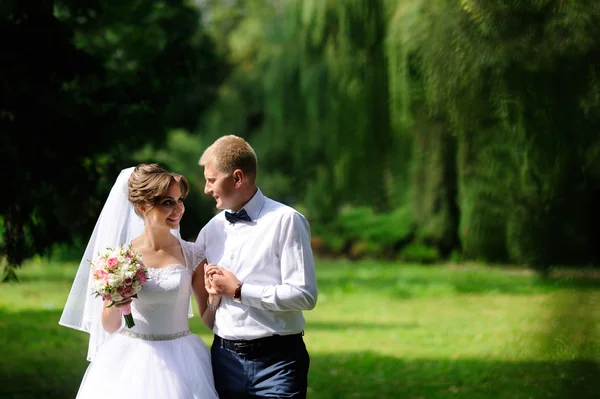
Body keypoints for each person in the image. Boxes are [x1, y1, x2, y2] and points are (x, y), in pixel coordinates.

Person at [59, 163, 219, 399]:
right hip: (132, 357)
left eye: (180, 200)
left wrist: (214, 298)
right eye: (167, 202)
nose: (178, 209)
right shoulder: (120, 258)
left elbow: (207, 318)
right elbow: (111, 325)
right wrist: (118, 302)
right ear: (143, 207)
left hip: (183, 358)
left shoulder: (192, 254)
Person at [196, 135, 318, 399]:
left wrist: (239, 291)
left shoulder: (287, 221)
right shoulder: (210, 231)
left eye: (211, 179)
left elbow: (305, 296)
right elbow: (207, 306)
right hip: (223, 360)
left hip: (278, 363)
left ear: (237, 178)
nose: (206, 188)